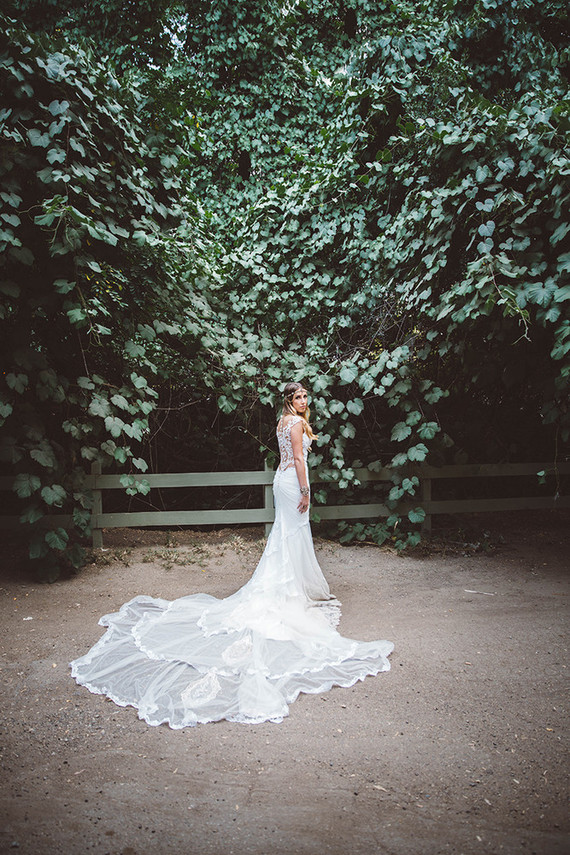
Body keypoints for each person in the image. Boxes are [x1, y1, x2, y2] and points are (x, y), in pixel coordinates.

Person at [70, 382, 394, 727]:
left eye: (305, 397)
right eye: (298, 397)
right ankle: (288, 592)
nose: (303, 401)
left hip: (279, 480)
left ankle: (293, 586)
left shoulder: (283, 422)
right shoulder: (296, 424)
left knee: (287, 535)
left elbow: (289, 455)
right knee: (292, 534)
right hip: (292, 482)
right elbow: (298, 458)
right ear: (289, 400)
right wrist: (305, 490)